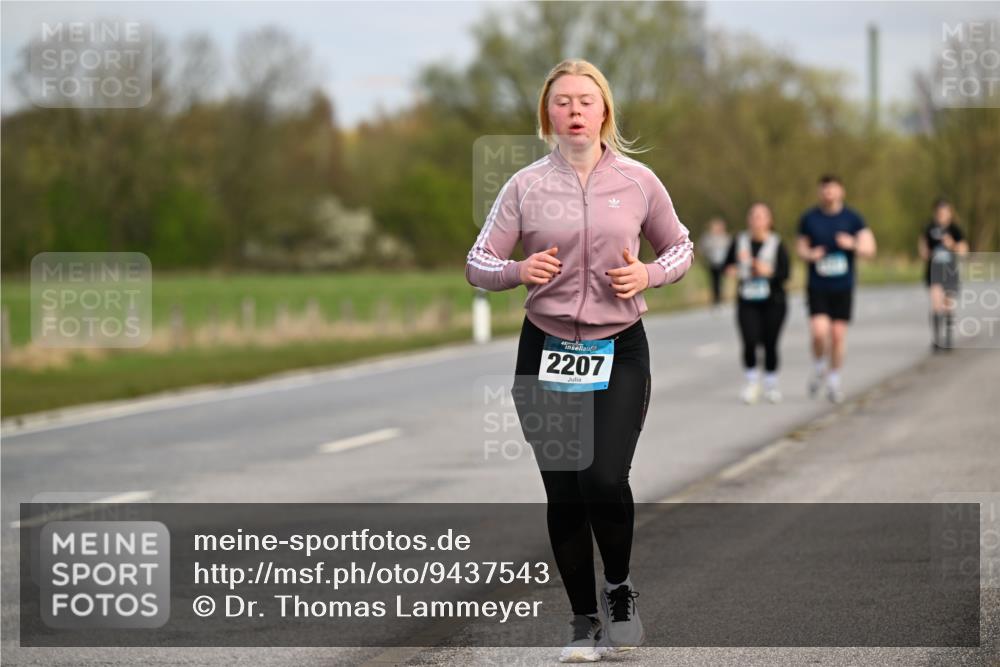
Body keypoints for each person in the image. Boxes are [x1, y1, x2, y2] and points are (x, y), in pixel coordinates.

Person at [465, 58, 693, 662]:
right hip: (545, 346)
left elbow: (681, 247)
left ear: (604, 111)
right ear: (548, 114)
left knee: (602, 478)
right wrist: (517, 271)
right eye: (562, 102)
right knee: (565, 491)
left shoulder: (640, 182)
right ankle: (582, 621)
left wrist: (648, 272)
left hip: (619, 348)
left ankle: (618, 589)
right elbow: (477, 262)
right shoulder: (525, 186)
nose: (573, 112)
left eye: (585, 101)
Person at [796, 174, 877, 404]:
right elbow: (800, 248)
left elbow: (870, 248)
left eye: (832, 189)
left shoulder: (853, 219)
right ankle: (820, 365)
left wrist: (851, 244)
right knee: (819, 332)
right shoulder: (809, 218)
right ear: (819, 192)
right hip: (818, 285)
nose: (828, 193)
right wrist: (810, 255)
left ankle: (834, 380)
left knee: (838, 336)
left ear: (841, 191)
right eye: (824, 190)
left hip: (843, 285)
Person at [723, 203, 790, 404]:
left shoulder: (777, 243)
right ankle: (752, 382)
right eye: (753, 216)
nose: (756, 220)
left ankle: (771, 384)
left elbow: (786, 274)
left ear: (769, 221)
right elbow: (726, 266)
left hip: (773, 301)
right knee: (750, 340)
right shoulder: (739, 241)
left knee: (770, 342)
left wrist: (768, 271)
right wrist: (733, 270)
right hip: (747, 300)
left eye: (761, 216)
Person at [918, 198, 968, 352]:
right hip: (934, 271)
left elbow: (964, 250)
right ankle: (937, 340)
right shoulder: (929, 229)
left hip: (950, 272)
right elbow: (922, 248)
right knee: (936, 303)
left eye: (944, 212)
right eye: (939, 212)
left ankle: (948, 338)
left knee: (948, 305)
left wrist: (952, 244)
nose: (941, 215)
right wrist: (927, 251)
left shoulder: (955, 229)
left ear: (950, 213)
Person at [699, 217, 731, 308]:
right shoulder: (708, 237)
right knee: (714, 281)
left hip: (722, 263)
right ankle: (715, 300)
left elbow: (729, 248)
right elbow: (703, 248)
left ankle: (721, 298)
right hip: (712, 263)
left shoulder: (725, 237)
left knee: (721, 281)